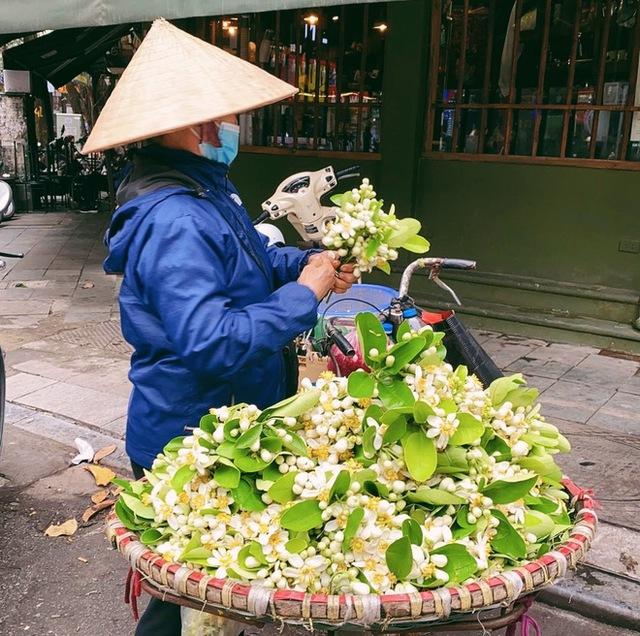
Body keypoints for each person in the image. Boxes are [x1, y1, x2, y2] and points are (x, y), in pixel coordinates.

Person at [82, 19, 357, 635]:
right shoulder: (174, 217)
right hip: (191, 435)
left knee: (212, 590)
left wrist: (307, 265)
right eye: (222, 118)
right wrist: (304, 297)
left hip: (226, 423)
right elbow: (212, 341)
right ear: (190, 126)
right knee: (185, 597)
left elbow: (245, 265)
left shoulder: (205, 190)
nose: (231, 128)